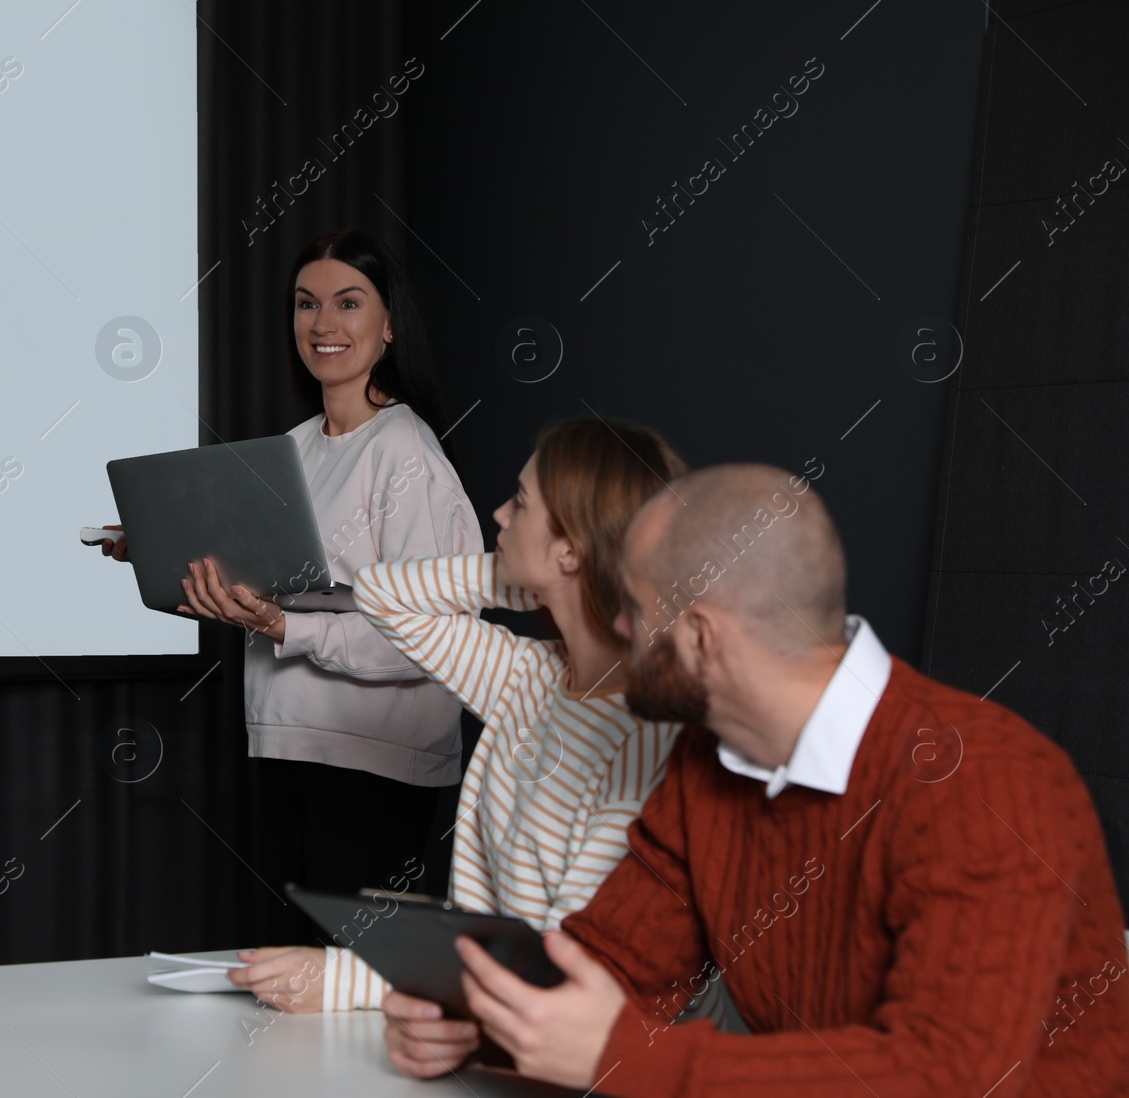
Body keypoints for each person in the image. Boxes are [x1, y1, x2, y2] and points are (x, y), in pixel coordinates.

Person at [386, 463, 1129, 1093]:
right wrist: (478, 1025)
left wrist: (626, 1061)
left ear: (702, 637)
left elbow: (947, 1077)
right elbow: (614, 967)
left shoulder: (990, 783)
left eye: (637, 610)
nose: (617, 630)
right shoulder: (709, 762)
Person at [229, 418, 734, 1032]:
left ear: (570, 549)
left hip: (611, 1063)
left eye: (520, 504)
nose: (497, 514)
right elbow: (383, 595)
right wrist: (534, 580)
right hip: (511, 1032)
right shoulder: (528, 676)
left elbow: (564, 977)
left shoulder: (648, 740)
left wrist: (348, 978)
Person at [99, 230, 484, 903]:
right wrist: (166, 542)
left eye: (348, 303)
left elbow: (432, 637)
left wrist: (286, 628)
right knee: (286, 976)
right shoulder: (292, 450)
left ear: (390, 324)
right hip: (285, 747)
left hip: (373, 765)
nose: (323, 324)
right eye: (306, 304)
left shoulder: (406, 453)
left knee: (343, 988)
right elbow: (267, 571)